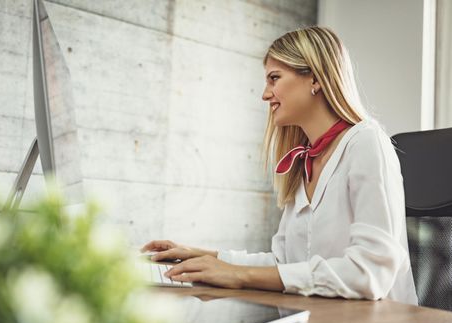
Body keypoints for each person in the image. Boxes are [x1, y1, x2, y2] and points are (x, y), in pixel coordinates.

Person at [141, 26, 418, 304]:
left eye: (274, 78)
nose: (265, 94)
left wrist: (239, 275)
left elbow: (369, 273)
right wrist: (206, 257)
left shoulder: (367, 143)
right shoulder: (304, 158)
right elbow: (284, 262)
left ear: (315, 78)